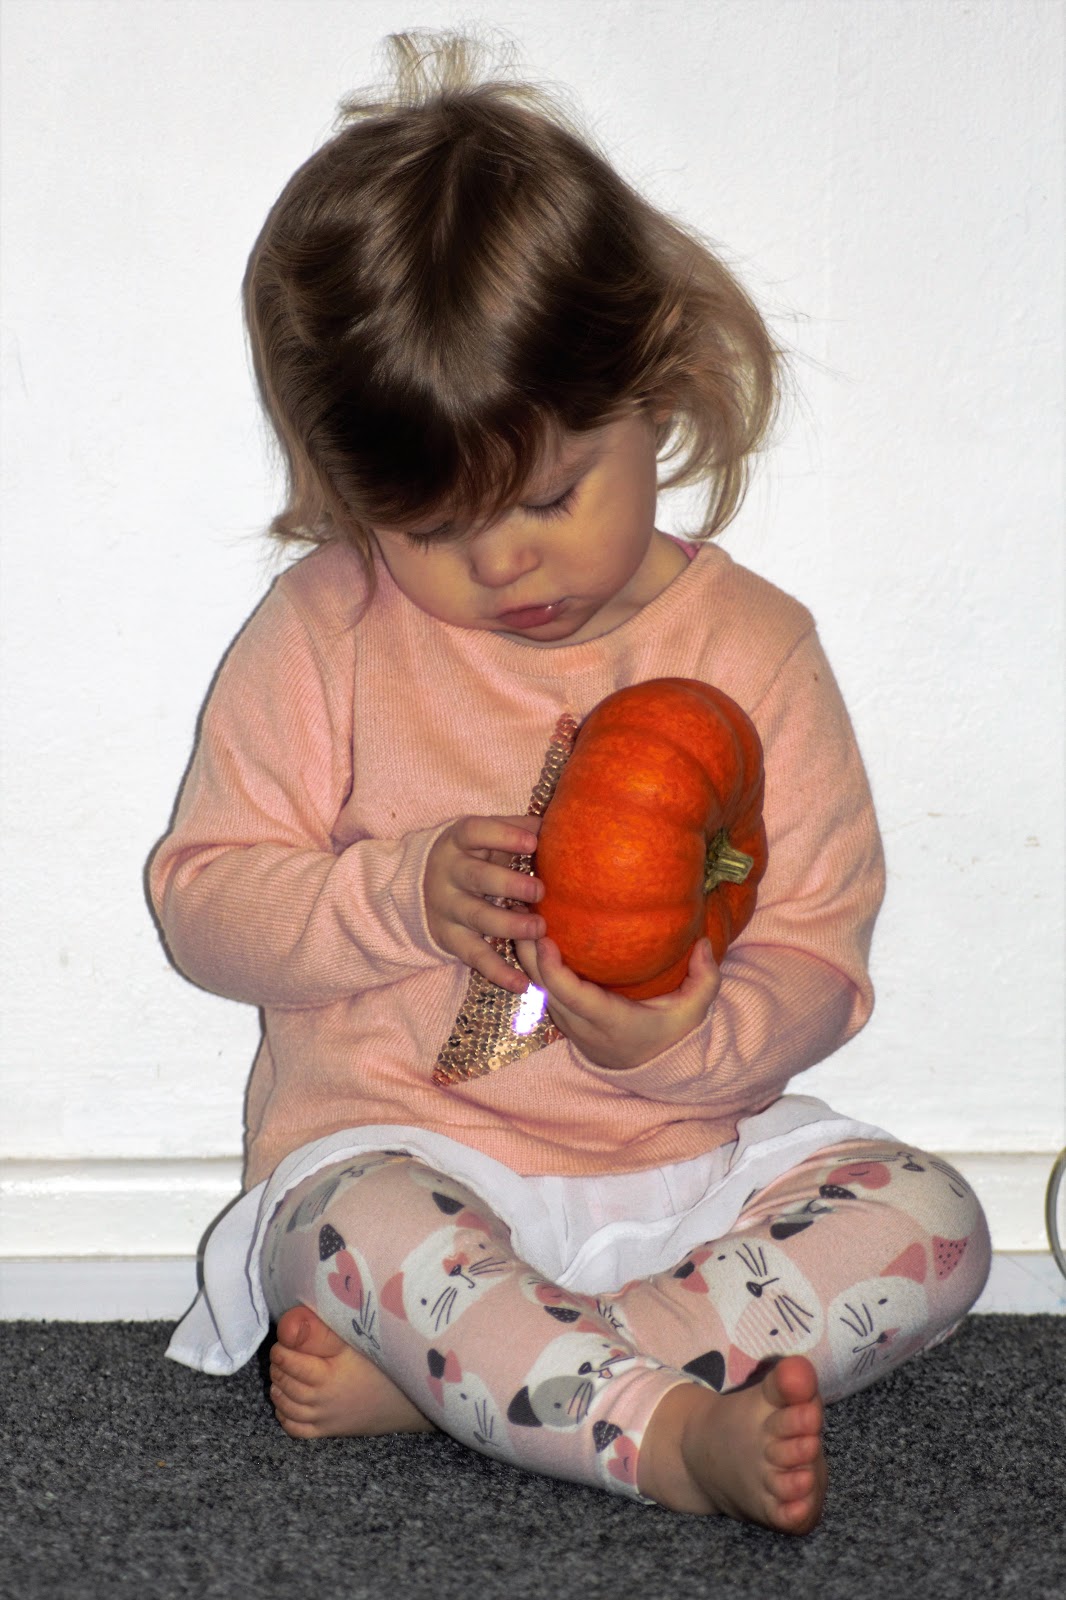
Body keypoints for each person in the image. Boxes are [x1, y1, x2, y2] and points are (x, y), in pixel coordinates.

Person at [150, 31, 991, 1534]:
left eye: (549, 494)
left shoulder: (753, 647)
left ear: (652, 393)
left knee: (931, 1223)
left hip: (688, 1172)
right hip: (407, 1162)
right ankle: (661, 1434)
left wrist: (692, 1039)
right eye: (433, 528)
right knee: (353, 1230)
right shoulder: (327, 632)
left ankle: (485, 1380)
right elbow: (204, 906)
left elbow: (817, 953)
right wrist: (393, 896)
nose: (503, 563)